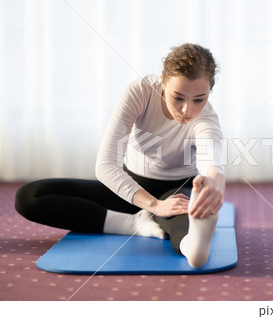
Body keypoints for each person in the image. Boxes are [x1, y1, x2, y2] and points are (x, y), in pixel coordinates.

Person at [15, 43, 225, 268]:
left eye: (199, 99)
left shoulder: (206, 119)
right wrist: (154, 205)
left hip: (176, 190)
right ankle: (134, 223)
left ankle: (191, 248)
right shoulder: (141, 92)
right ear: (163, 82)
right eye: (178, 98)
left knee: (182, 218)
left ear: (209, 92)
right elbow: (106, 165)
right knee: (30, 197)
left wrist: (215, 182)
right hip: (130, 187)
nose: (187, 110)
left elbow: (210, 158)